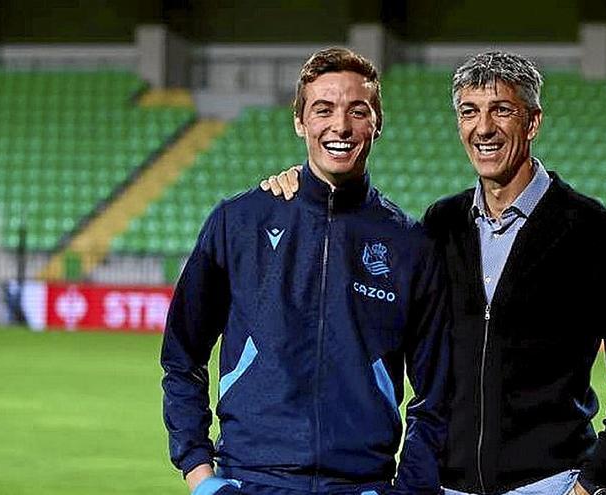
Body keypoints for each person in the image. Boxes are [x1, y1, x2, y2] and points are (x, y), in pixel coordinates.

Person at [262, 51, 606, 495]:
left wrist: (595, 482)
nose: (484, 128)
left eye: (501, 110)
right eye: (469, 112)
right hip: (447, 485)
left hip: (550, 482)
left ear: (532, 122)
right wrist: (302, 188)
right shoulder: (441, 224)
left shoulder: (590, 230)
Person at [162, 47, 451, 495]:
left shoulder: (410, 244)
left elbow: (436, 394)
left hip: (361, 484)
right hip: (249, 480)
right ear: (300, 122)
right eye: (323, 109)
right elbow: (182, 354)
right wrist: (200, 474)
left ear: (378, 123)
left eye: (358, 111)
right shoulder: (239, 222)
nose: (340, 126)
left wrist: (410, 488)